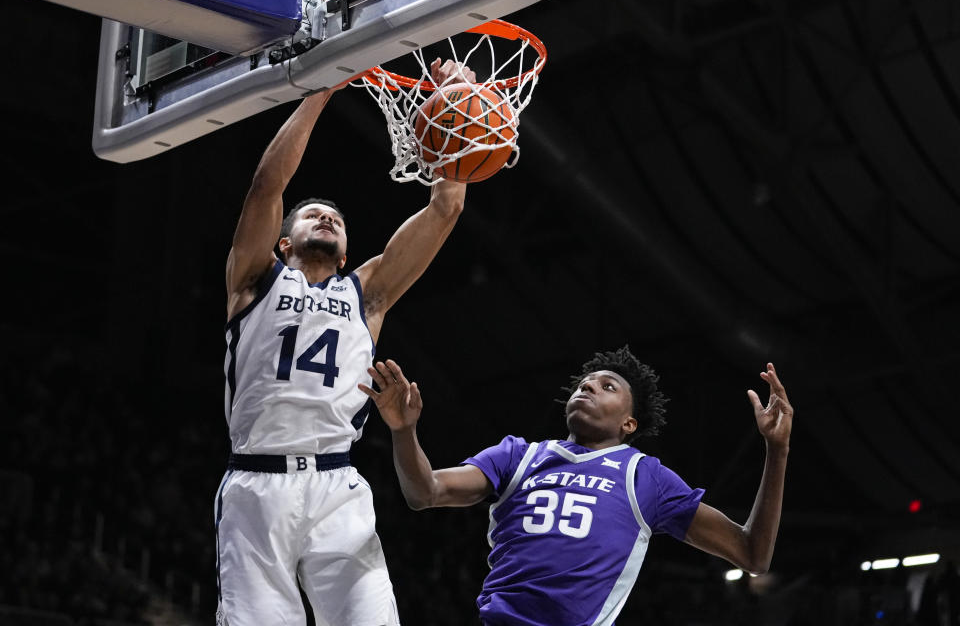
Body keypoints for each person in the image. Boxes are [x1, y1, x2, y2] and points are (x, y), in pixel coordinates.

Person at [215, 59, 474, 626]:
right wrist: (322, 86)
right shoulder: (255, 280)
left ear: (348, 253)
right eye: (313, 214)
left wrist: (457, 107)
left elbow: (446, 207)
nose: (327, 217)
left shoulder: (367, 295)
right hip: (258, 484)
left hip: (338, 483)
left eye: (336, 217)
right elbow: (268, 185)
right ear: (283, 243)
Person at [359, 347, 793, 626]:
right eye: (586, 382)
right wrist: (403, 430)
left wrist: (777, 451)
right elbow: (424, 493)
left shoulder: (646, 477)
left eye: (608, 386)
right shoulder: (518, 455)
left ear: (629, 423)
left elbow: (752, 554)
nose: (589, 386)